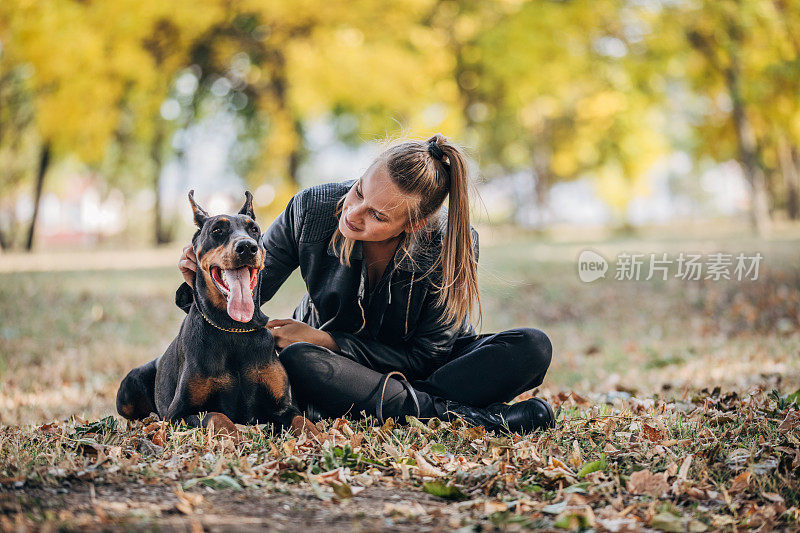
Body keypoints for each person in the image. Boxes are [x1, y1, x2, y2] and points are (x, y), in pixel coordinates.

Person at [178, 134, 555, 434]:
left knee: (532, 346)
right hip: (334, 369)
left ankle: (422, 411)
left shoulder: (449, 243)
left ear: (414, 225)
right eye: (359, 191)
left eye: (376, 215)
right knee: (299, 361)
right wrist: (204, 278)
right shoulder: (311, 210)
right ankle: (478, 417)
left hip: (430, 370)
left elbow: (427, 357)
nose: (353, 214)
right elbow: (243, 293)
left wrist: (328, 340)